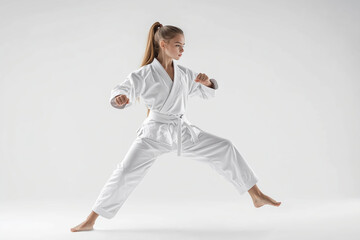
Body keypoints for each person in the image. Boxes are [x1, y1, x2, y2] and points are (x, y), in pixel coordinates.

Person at [71, 22, 281, 232]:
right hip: (154, 133)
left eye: (183, 46)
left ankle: (256, 195)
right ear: (163, 44)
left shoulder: (184, 73)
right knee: (125, 173)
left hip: (182, 131)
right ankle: (91, 219)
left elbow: (205, 92)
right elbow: (123, 88)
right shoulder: (144, 74)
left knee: (225, 147)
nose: (182, 50)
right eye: (178, 45)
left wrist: (207, 83)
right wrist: (120, 98)